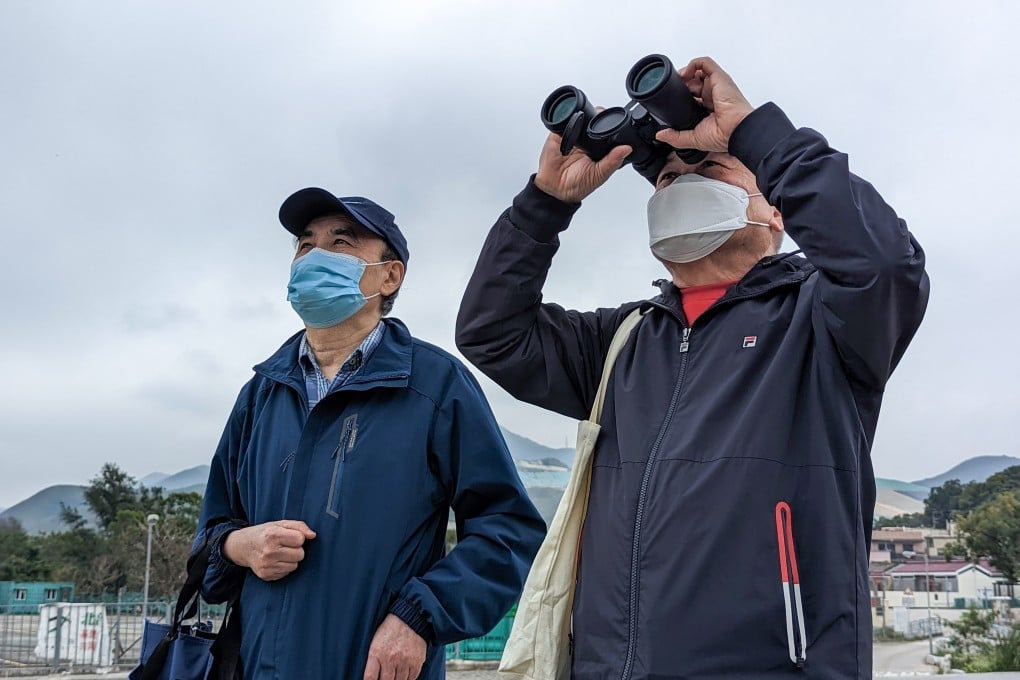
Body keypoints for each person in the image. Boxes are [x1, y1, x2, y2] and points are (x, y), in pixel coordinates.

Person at [456, 56, 929, 678]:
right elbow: (492, 331)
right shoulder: (624, 339)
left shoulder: (822, 322)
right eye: (665, 178)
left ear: (776, 209)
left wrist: (755, 134)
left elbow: (884, 265)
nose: (678, 184)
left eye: (705, 167)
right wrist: (544, 206)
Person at [195, 188, 545, 680]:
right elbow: (209, 534)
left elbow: (506, 530)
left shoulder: (435, 385)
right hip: (259, 666)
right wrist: (240, 546)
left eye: (341, 242)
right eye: (305, 244)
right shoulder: (260, 395)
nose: (316, 256)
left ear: (390, 275)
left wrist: (419, 619)